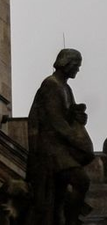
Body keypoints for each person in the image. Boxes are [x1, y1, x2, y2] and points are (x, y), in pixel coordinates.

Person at [25, 48, 94, 225]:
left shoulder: (66, 88)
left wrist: (77, 116)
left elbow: (65, 116)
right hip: (51, 148)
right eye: (76, 65)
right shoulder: (51, 84)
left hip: (60, 147)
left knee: (59, 194)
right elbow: (55, 120)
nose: (78, 69)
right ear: (66, 63)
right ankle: (71, 221)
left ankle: (64, 219)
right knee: (81, 180)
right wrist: (77, 140)